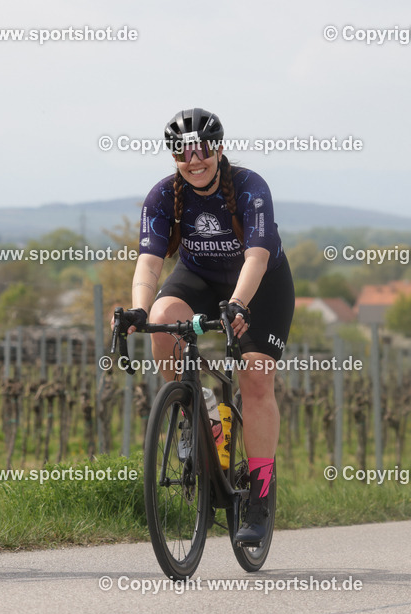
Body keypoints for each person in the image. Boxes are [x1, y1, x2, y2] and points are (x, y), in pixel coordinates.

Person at [118, 108, 293, 545]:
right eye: (182, 151)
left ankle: (260, 494)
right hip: (197, 277)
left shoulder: (249, 188)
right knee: (161, 321)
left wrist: (237, 305)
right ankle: (195, 407)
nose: (193, 159)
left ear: (217, 149)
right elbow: (150, 261)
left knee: (255, 377)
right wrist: (140, 309)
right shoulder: (162, 195)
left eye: (202, 149)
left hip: (259, 282)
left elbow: (257, 256)